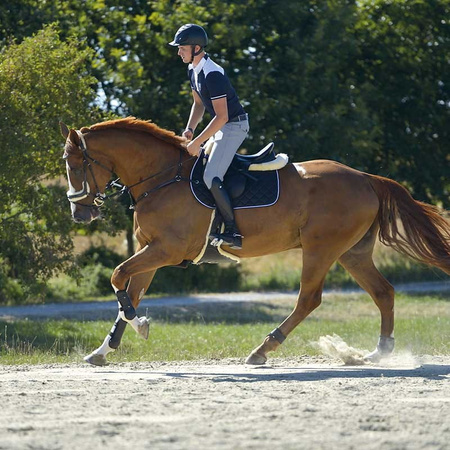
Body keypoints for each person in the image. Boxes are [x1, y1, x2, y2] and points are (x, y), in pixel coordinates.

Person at [169, 24, 249, 250]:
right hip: (222, 125)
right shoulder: (193, 70)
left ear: (196, 48)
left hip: (234, 126)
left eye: (181, 48)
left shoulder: (212, 74)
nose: (178, 52)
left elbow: (222, 117)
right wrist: (190, 129)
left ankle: (233, 231)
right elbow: (198, 104)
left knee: (211, 175)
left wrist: (198, 142)